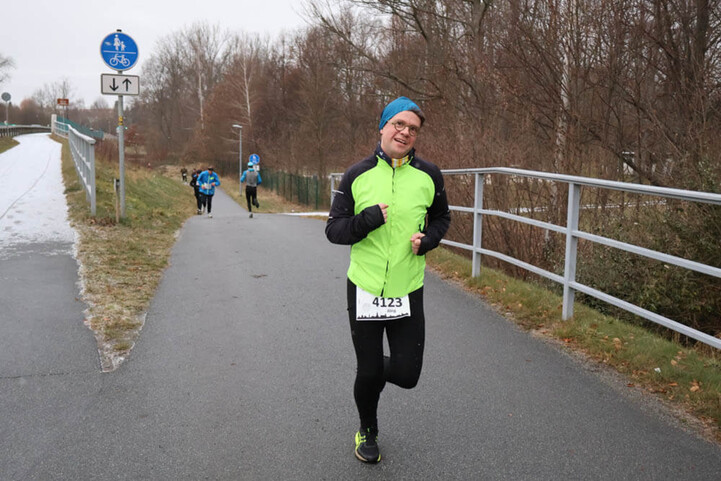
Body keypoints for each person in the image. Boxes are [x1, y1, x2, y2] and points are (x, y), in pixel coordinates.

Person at [325, 96, 451, 463]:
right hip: (365, 288)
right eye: (399, 124)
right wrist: (364, 221)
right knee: (368, 371)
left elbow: (442, 218)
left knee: (407, 374)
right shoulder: (357, 174)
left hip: (407, 289)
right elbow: (334, 230)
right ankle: (367, 429)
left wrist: (429, 240)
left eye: (413, 129)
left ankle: (368, 372)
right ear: (383, 126)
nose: (405, 132)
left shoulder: (429, 175)